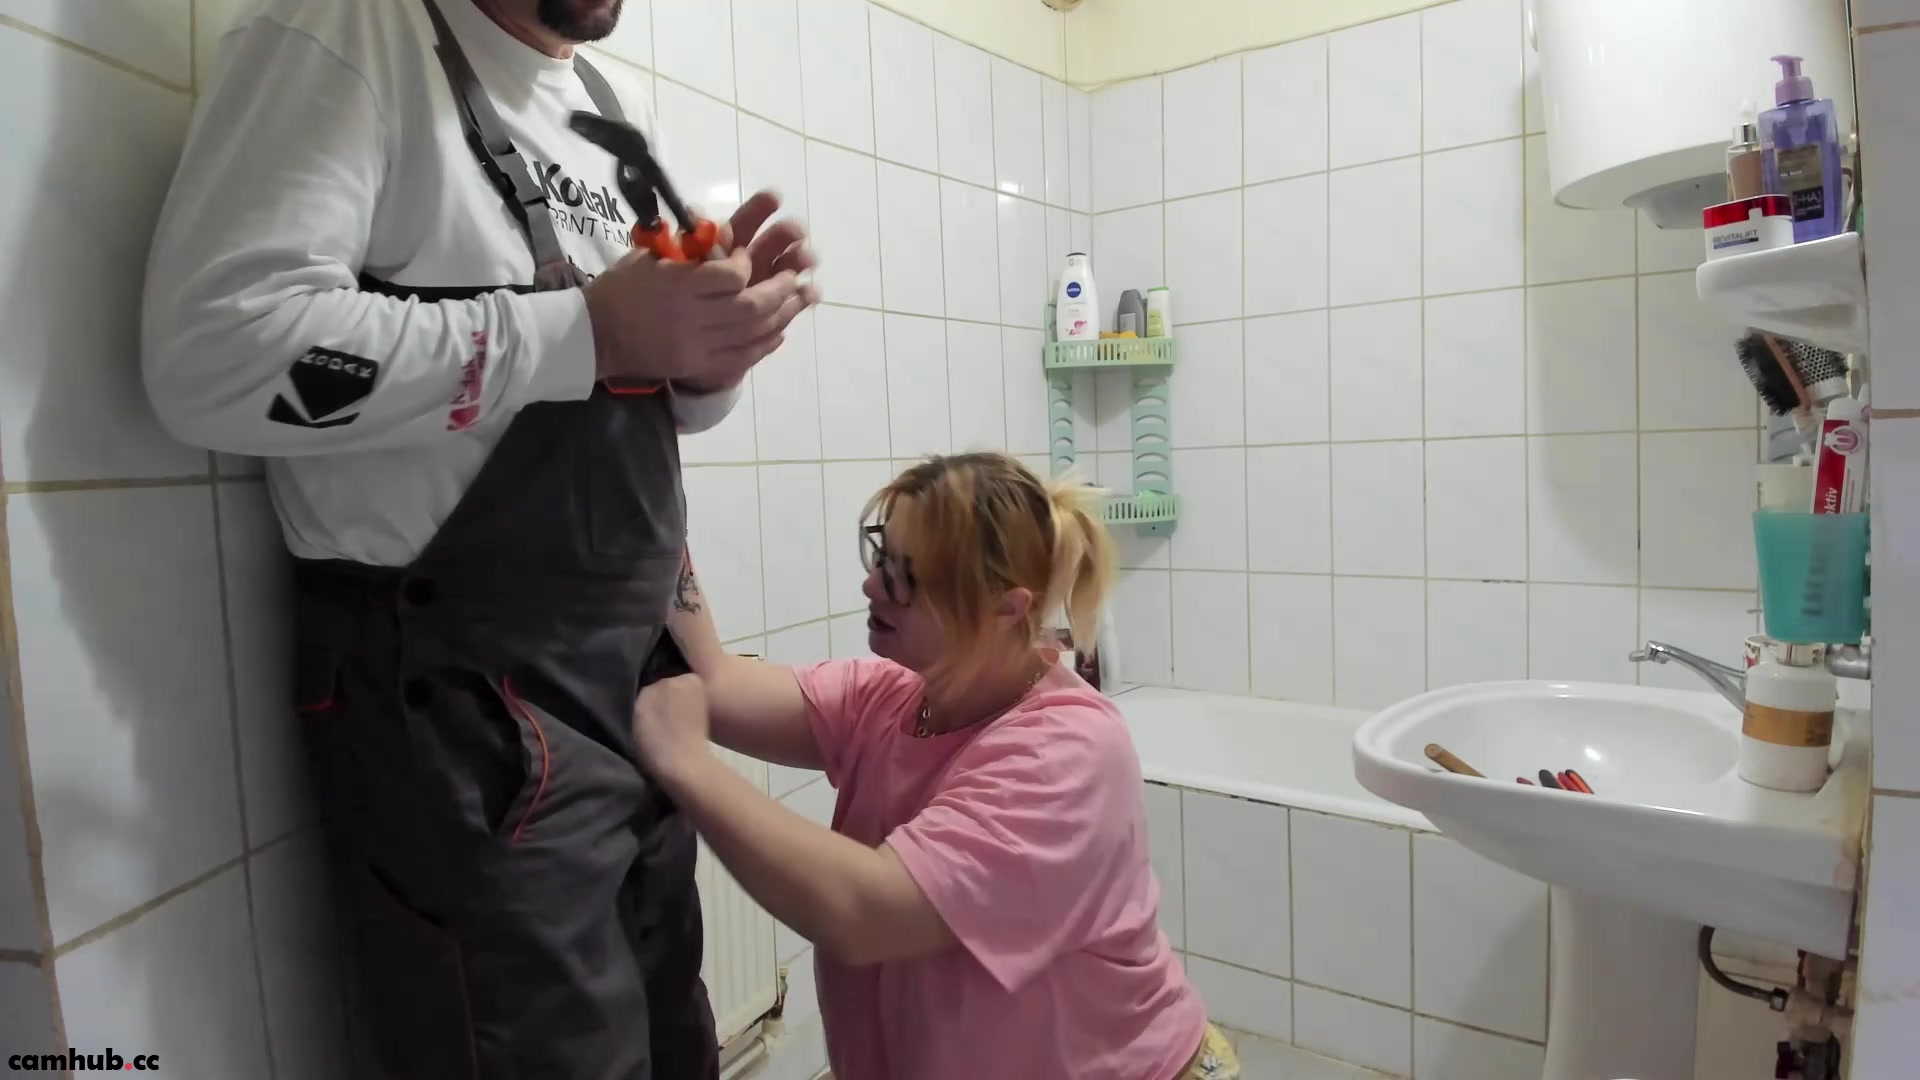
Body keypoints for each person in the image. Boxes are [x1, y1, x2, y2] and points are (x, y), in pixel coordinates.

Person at [140, 0, 815, 1076]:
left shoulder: (606, 103)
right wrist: (588, 327)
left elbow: (629, 389)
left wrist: (707, 358)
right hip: (468, 715)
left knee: (673, 1041)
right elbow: (219, 355)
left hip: (630, 689)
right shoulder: (347, 33)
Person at [634, 453, 1241, 1080]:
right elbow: (716, 679)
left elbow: (867, 913)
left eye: (907, 577)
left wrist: (688, 765)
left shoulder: (1065, 753)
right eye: (881, 558)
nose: (873, 587)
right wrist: (650, 514)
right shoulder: (892, 698)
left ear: (1008, 609)